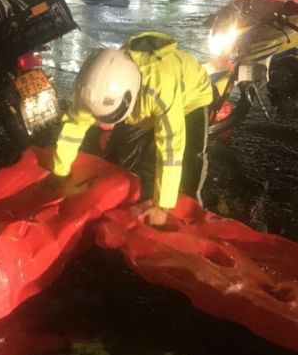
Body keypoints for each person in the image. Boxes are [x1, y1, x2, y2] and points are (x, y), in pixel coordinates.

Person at [51, 32, 214, 227]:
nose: (104, 124)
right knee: (119, 159)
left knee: (188, 164)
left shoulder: (160, 89)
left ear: (131, 98)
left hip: (190, 97)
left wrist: (162, 205)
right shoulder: (95, 85)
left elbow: (171, 150)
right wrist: (60, 171)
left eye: (110, 118)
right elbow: (73, 127)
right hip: (141, 103)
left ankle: (191, 218)